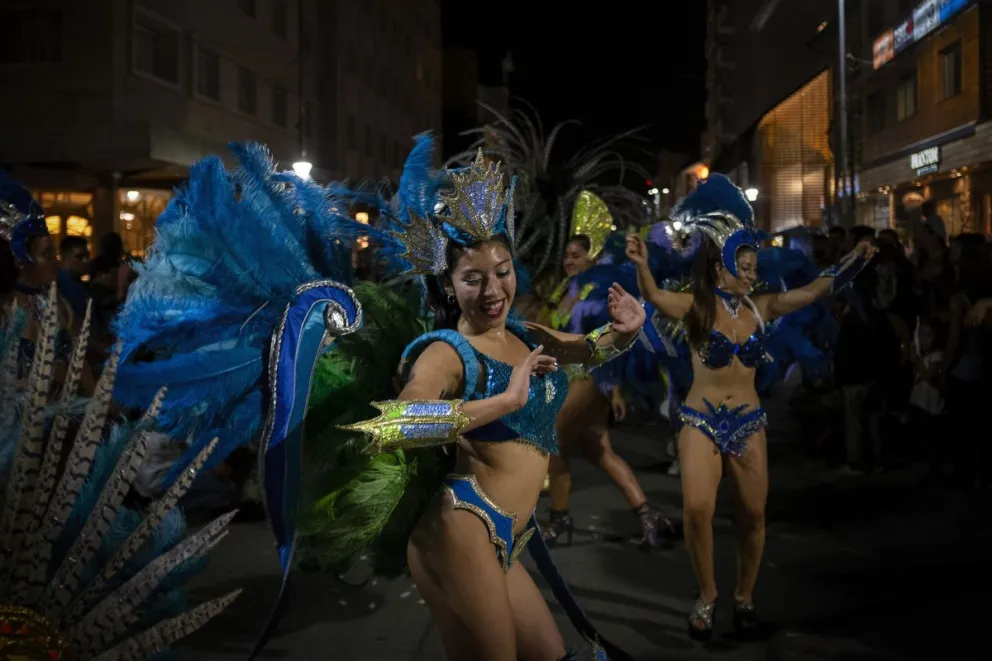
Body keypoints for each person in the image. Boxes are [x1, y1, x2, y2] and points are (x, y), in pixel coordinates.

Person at [341, 149, 643, 661]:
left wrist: (626, 332)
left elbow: (588, 350)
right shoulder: (445, 352)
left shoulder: (527, 334)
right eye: (472, 278)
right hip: (462, 527)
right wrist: (504, 401)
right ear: (448, 284)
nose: (492, 290)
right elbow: (393, 424)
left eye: (501, 272)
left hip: (508, 535)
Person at [625, 174, 876, 640]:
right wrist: (641, 264)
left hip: (748, 423)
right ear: (720, 267)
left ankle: (744, 596)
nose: (752, 271)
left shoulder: (764, 307)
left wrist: (852, 261)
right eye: (743, 264)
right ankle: (707, 595)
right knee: (697, 509)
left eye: (754, 263)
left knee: (754, 515)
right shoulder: (698, 307)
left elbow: (816, 290)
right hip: (699, 420)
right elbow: (656, 297)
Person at [538, 192, 674, 550]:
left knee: (551, 441)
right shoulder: (567, 289)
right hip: (565, 381)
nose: (569, 260)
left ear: (593, 257)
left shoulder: (598, 295)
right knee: (601, 454)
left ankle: (560, 519)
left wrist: (614, 389)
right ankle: (649, 517)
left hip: (588, 380)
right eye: (566, 255)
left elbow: (612, 342)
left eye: (576, 255)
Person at [0, 172, 94, 395]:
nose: (56, 263)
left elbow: (82, 371)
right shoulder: (3, 311)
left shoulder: (61, 307)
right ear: (20, 260)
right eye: (46, 254)